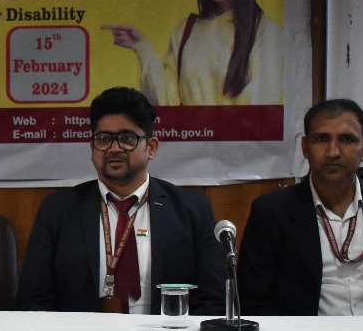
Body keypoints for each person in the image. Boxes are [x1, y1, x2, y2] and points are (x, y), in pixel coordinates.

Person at [18, 86, 225, 314]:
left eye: (127, 138)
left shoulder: (191, 210)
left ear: (151, 148)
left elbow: (213, 299)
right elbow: (34, 299)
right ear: (92, 148)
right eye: (103, 139)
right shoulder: (58, 210)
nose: (114, 148)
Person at [238, 99, 363, 316]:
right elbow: (252, 298)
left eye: (347, 139)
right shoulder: (272, 211)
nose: (333, 152)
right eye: (322, 139)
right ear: (305, 147)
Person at [104, 0, 283, 106]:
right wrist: (142, 47)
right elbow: (165, 102)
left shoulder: (267, 31)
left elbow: (259, 108)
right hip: (190, 128)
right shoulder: (187, 29)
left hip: (237, 129)